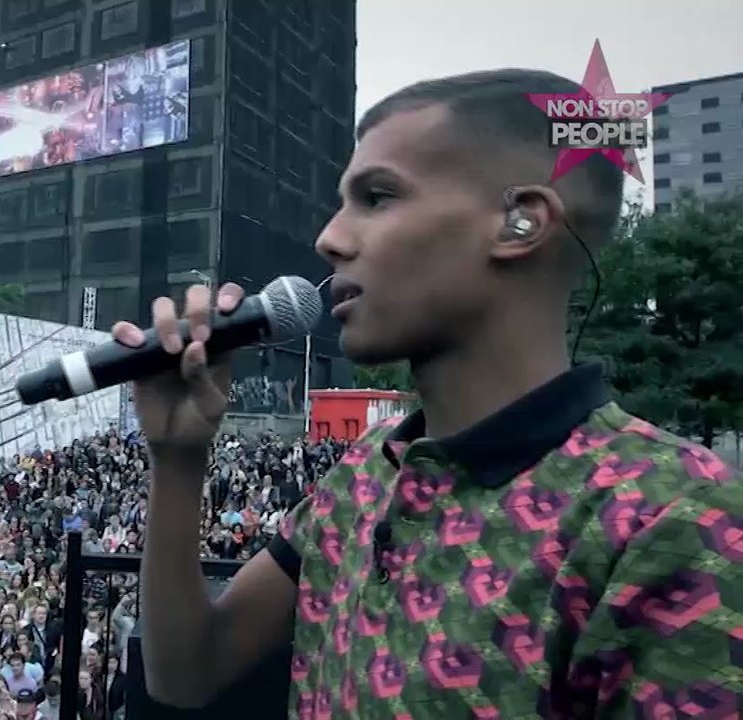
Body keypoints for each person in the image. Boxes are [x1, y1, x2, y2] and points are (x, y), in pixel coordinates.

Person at [118, 68, 741, 716]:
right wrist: (179, 458)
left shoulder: (675, 518)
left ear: (521, 224)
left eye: (378, 196)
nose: (329, 238)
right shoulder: (359, 481)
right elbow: (187, 672)